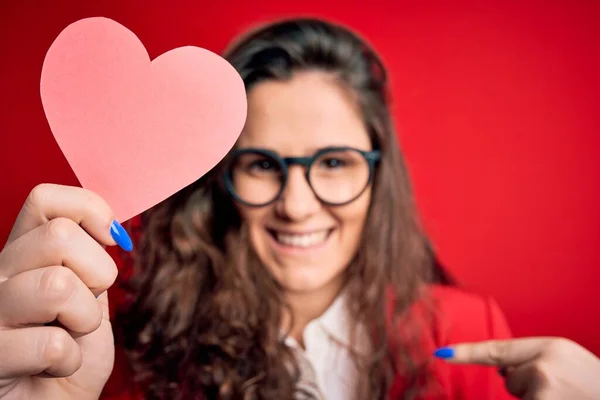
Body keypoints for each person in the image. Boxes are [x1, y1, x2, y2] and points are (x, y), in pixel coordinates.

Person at [0, 17, 598, 400]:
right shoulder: (118, 344)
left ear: (377, 171)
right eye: (262, 164)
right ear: (220, 180)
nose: (296, 204)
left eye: (334, 162)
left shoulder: (471, 333)